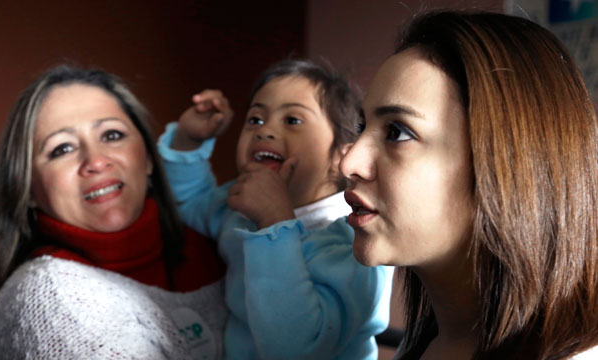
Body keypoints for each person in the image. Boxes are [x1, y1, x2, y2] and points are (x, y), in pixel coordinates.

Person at [339, 10, 598, 360]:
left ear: (509, 163)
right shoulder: (427, 342)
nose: (349, 163)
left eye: (397, 132)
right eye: (361, 127)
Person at [0, 65, 228, 359]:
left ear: (148, 158)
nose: (96, 161)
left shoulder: (222, 245)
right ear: (27, 188)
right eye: (62, 149)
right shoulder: (48, 297)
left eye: (112, 135)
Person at [157, 59, 392, 359]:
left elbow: (296, 350)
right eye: (255, 119)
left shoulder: (354, 239)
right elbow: (188, 204)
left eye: (292, 120)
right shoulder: (238, 205)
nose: (264, 131)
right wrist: (188, 140)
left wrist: (273, 224)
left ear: (342, 154)